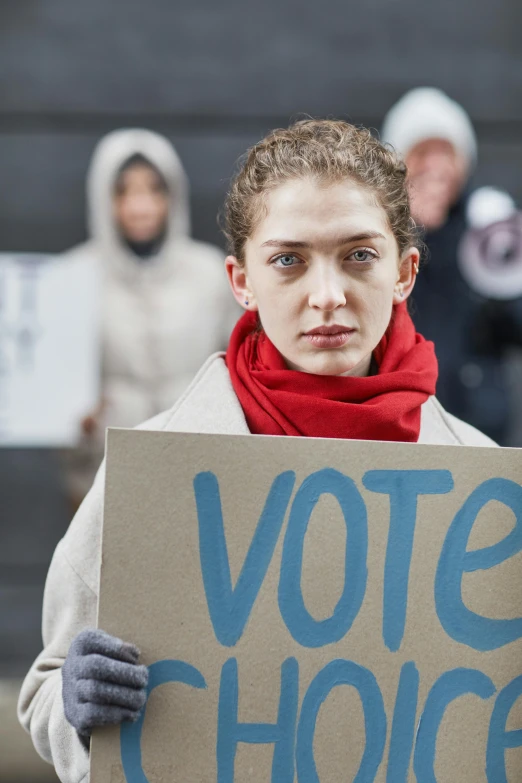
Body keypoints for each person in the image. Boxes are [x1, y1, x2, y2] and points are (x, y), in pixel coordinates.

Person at [18, 119, 496, 783]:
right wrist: (74, 705)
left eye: (359, 254)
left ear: (405, 270)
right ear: (241, 280)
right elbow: (43, 689)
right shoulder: (156, 470)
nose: (327, 295)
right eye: (288, 260)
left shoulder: (485, 487)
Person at [63, 128, 236, 505]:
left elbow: (240, 364)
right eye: (123, 191)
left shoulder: (210, 273)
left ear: (173, 194)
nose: (140, 206)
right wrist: (72, 425)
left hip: (197, 469)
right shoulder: (75, 276)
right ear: (102, 197)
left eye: (154, 189)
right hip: (103, 476)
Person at [381, 87, 521, 444]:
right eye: (422, 152)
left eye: (447, 152)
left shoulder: (487, 224)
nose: (436, 166)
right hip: (405, 418)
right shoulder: (382, 227)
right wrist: (416, 232)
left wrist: (501, 262)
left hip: (481, 423)